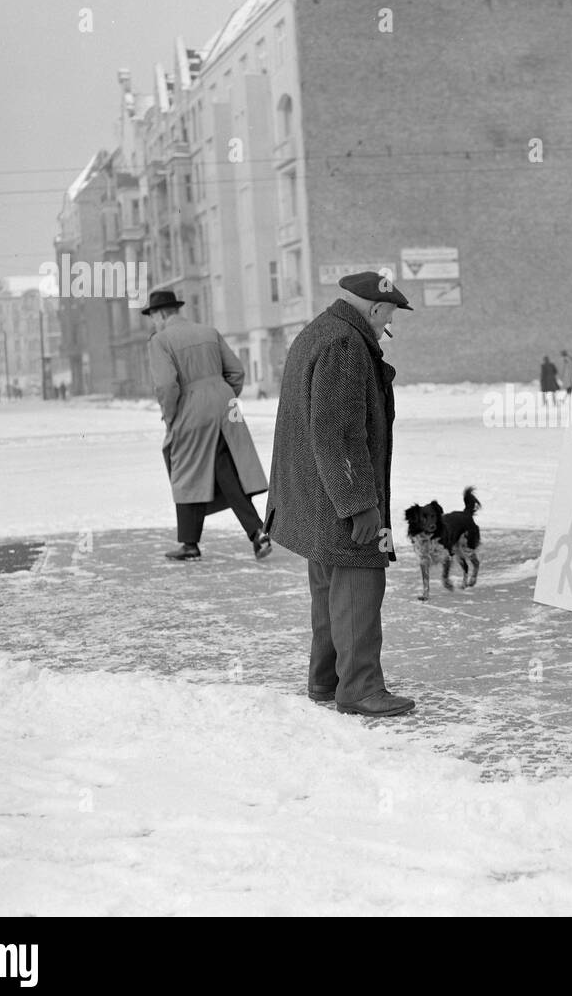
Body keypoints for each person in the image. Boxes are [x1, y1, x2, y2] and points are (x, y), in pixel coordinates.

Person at [265, 271, 416, 718]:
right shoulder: (346, 346)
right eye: (388, 316)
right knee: (360, 586)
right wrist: (359, 505)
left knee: (329, 591)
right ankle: (361, 688)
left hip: (316, 496)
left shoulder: (318, 333)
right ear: (373, 310)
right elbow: (338, 434)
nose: (388, 324)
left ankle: (325, 680)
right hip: (337, 497)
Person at [143, 288, 271, 562]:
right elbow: (236, 371)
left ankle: (190, 545)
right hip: (226, 405)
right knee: (225, 469)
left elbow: (166, 385)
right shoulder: (208, 331)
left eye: (152, 316)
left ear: (161, 314)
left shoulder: (160, 340)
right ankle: (256, 531)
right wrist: (223, 395)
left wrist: (171, 416)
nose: (153, 322)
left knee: (184, 469)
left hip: (191, 408)